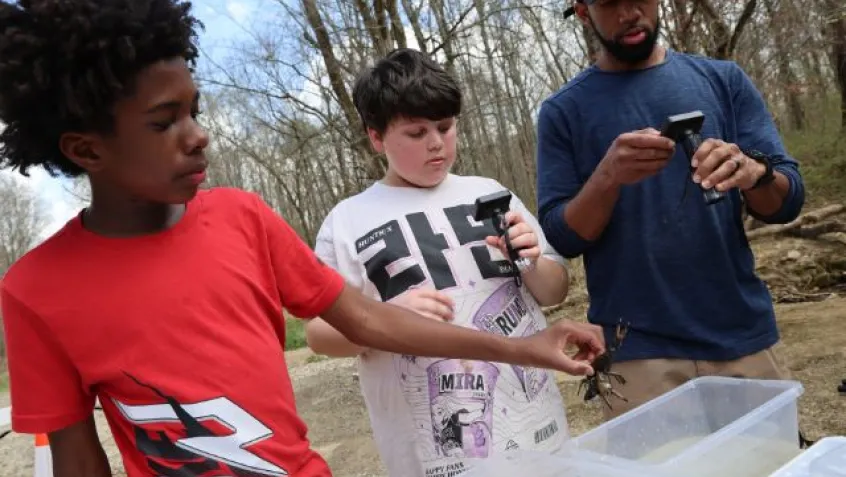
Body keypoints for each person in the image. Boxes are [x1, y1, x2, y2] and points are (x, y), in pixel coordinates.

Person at [0, 2, 606, 477]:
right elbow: (73, 455)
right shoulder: (34, 292)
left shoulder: (242, 217)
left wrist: (529, 347)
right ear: (85, 149)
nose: (200, 136)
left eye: (195, 110)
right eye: (164, 123)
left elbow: (365, 320)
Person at [304, 48, 593, 477]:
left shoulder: (488, 190)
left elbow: (553, 291)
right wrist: (379, 319)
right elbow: (318, 334)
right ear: (376, 137)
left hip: (538, 435)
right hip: (435, 456)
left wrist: (531, 260)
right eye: (416, 133)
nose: (437, 143)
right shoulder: (347, 221)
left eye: (445, 126)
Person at [536, 0, 805, 421]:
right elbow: (563, 236)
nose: (629, 13)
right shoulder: (563, 111)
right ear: (584, 12)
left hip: (743, 339)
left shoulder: (723, 80)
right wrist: (607, 177)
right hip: (638, 356)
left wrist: (753, 172)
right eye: (610, 4)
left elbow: (787, 202)